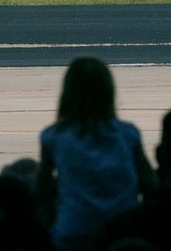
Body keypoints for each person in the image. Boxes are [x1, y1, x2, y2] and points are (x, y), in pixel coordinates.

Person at [35, 57, 155, 251]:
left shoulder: (54, 136)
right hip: (123, 233)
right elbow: (149, 183)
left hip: (73, 233)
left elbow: (41, 193)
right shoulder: (127, 134)